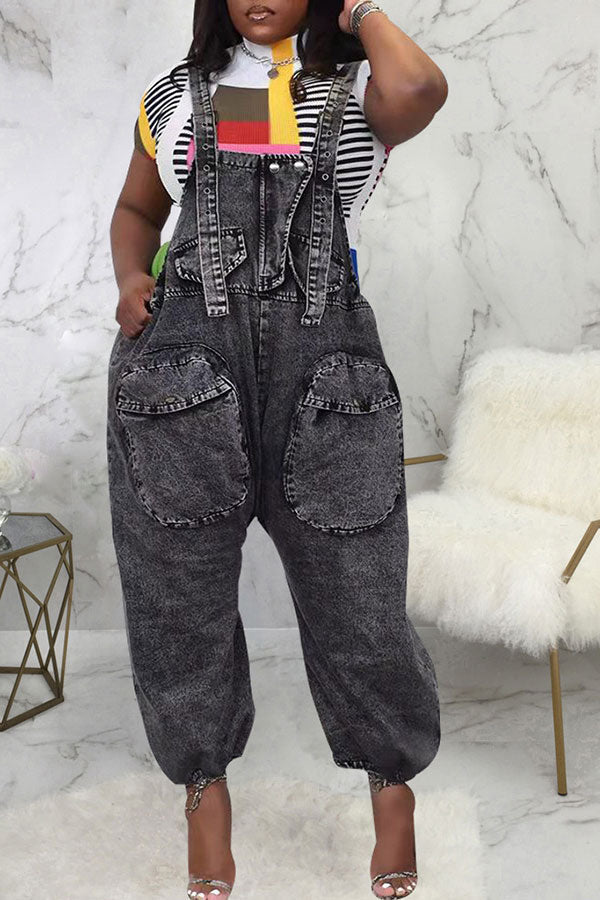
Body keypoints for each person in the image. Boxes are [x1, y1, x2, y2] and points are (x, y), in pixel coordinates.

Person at [106, 1, 448, 897]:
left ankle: (392, 786)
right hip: (183, 378)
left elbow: (422, 87)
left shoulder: (355, 94)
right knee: (178, 600)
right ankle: (204, 791)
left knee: (359, 597)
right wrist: (133, 276)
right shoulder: (174, 97)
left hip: (327, 382)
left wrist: (358, 11)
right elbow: (137, 209)